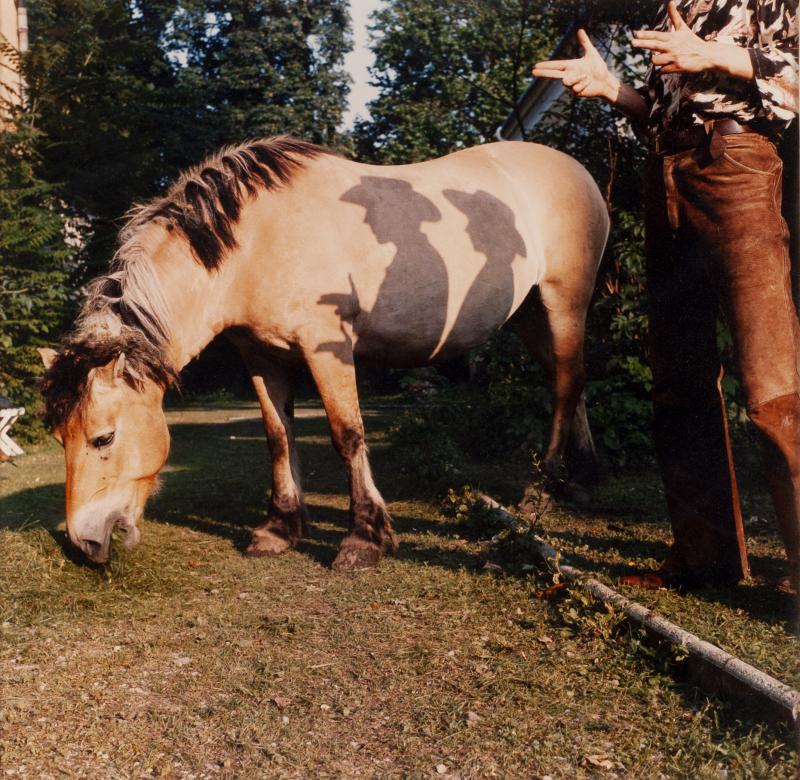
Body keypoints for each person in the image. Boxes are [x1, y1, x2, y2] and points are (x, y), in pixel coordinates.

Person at [533, 0, 799, 593]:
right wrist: (612, 90)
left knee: (771, 385)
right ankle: (705, 561)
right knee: (679, 383)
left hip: (738, 167)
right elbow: (662, 110)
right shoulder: (677, 7)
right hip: (667, 172)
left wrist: (717, 55)